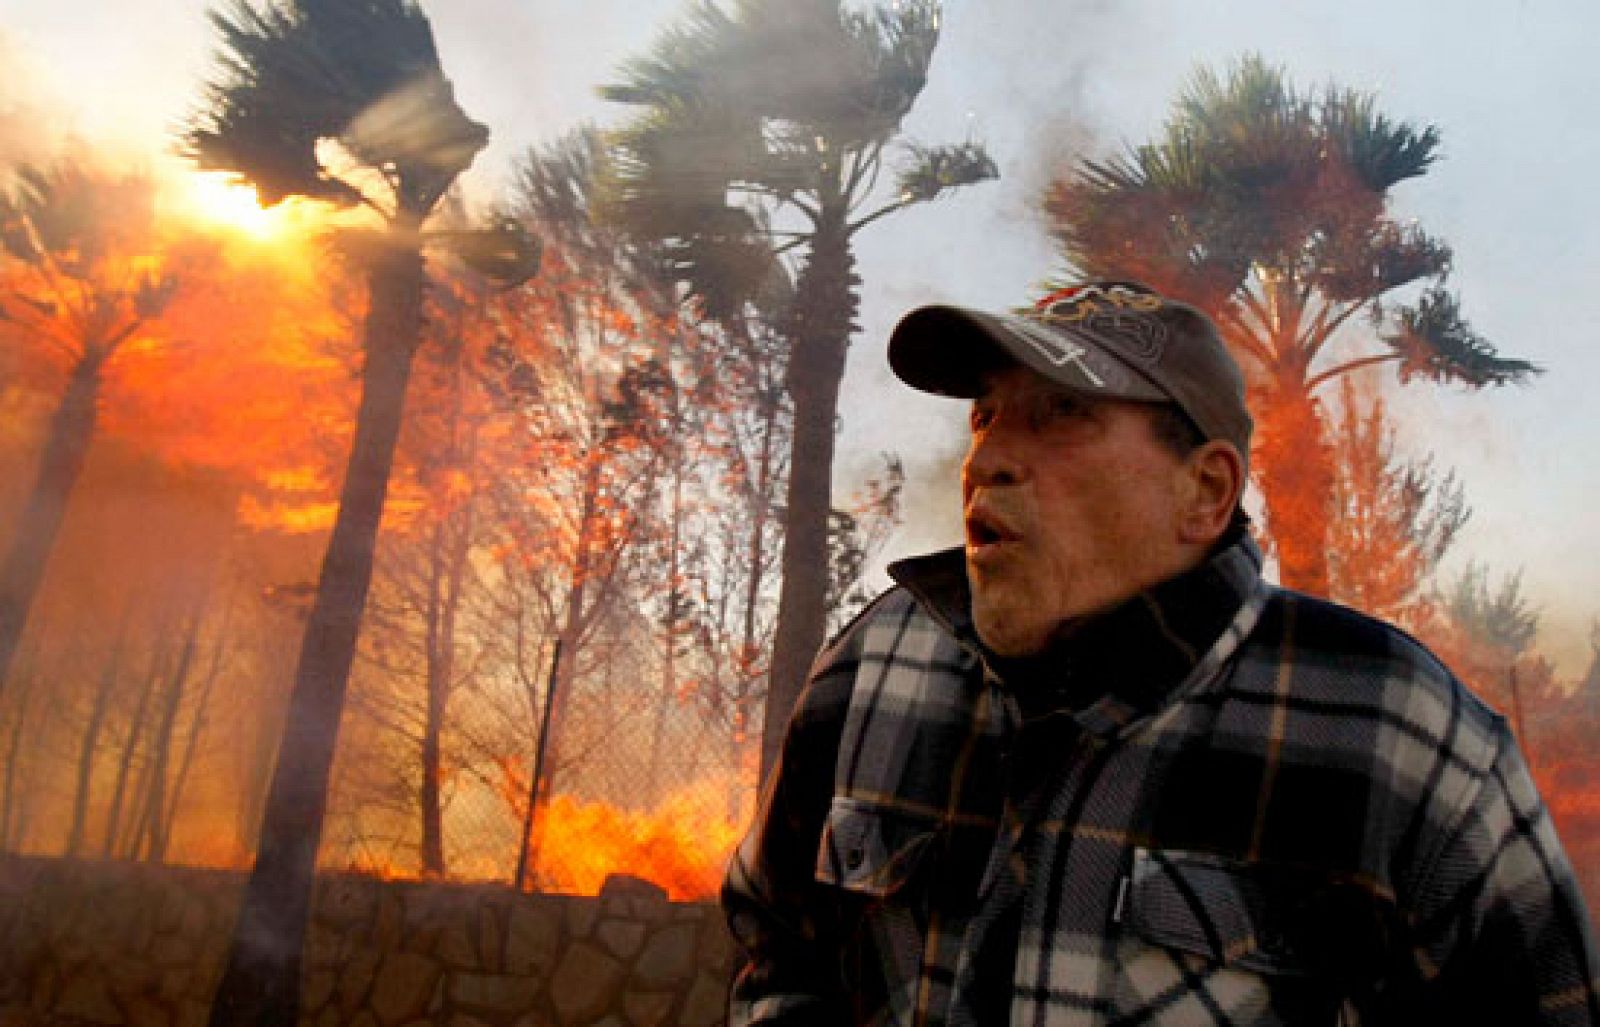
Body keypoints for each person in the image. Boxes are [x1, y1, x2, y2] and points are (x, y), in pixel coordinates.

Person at [722, 281, 1600, 1025]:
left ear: (1205, 490)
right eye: (986, 413)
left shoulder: (1403, 734)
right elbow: (780, 935)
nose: (987, 455)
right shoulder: (877, 662)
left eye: (1062, 413)